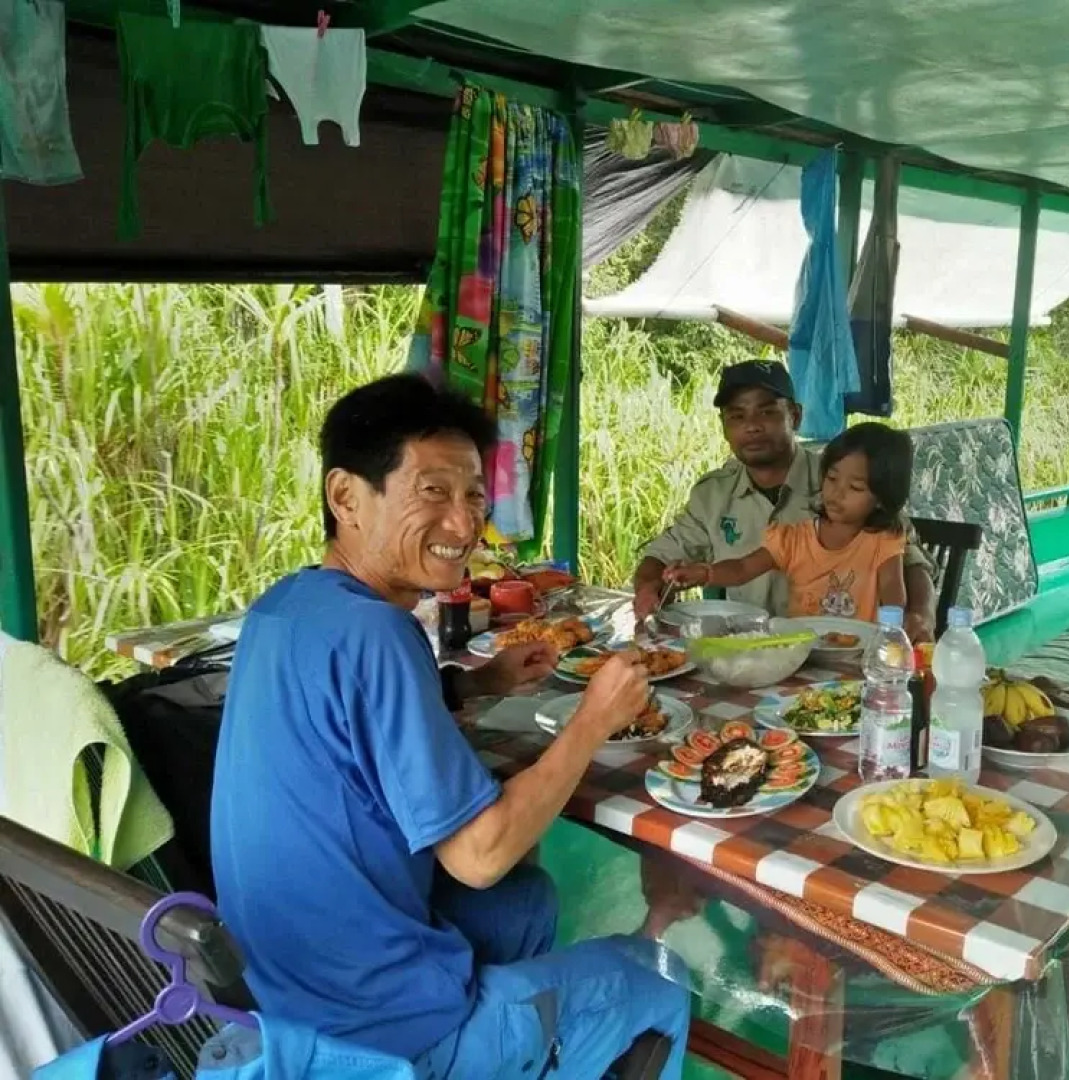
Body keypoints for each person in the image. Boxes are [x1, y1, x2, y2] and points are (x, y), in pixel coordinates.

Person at [211, 374, 690, 1080]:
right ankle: (485, 1047)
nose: (465, 527)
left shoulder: (285, 606)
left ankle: (523, 1046)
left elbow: (348, 714)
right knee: (662, 980)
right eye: (433, 492)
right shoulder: (380, 633)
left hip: (284, 994)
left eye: (473, 497)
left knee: (525, 903)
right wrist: (593, 719)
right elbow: (479, 854)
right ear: (345, 496)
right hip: (376, 1038)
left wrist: (474, 684)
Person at [633, 360, 938, 640]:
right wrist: (648, 588)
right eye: (737, 416)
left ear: (795, 416)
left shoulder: (840, 478)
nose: (752, 426)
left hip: (839, 649)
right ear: (724, 427)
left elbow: (910, 558)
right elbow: (663, 556)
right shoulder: (713, 495)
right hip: (747, 648)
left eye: (767, 412)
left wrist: (921, 614)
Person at [662, 423, 913, 623]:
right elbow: (742, 568)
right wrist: (704, 573)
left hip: (859, 657)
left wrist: (891, 636)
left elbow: (894, 594)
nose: (837, 493)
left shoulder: (883, 540)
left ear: (882, 499)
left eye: (855, 487)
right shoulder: (794, 539)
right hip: (801, 654)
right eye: (832, 478)